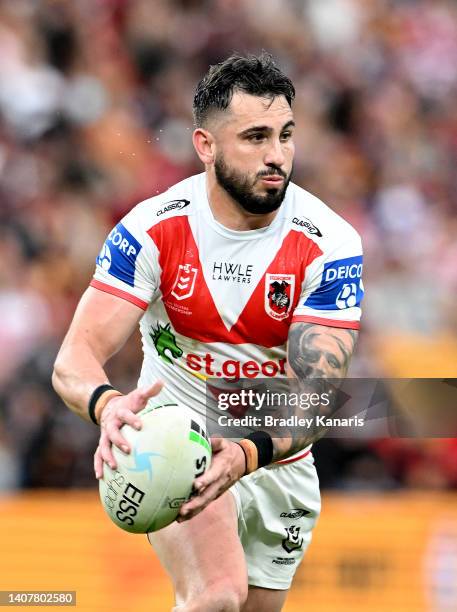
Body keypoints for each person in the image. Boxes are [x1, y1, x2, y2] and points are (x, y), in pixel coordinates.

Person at [53, 52, 363, 612]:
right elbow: (74, 358)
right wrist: (107, 406)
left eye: (286, 135)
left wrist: (246, 454)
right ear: (206, 145)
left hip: (276, 459)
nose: (277, 156)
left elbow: (318, 394)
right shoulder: (151, 230)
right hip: (177, 446)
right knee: (216, 596)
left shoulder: (331, 244)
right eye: (255, 137)